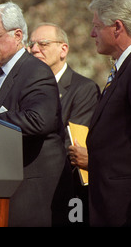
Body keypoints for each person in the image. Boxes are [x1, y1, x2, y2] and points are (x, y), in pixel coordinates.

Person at [0, 2, 73, 226]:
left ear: (17, 35)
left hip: (34, 192)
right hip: (1, 186)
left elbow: (39, 120)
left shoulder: (36, 71)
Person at [86, 0, 131, 226]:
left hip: (130, 209)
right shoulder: (126, 68)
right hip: (111, 205)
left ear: (117, 27)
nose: (92, 33)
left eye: (96, 25)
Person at [28, 23, 100, 225]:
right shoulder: (28, 89)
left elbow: (72, 145)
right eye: (31, 44)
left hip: (67, 192)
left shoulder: (84, 89)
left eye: (43, 43)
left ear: (63, 49)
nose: (34, 49)